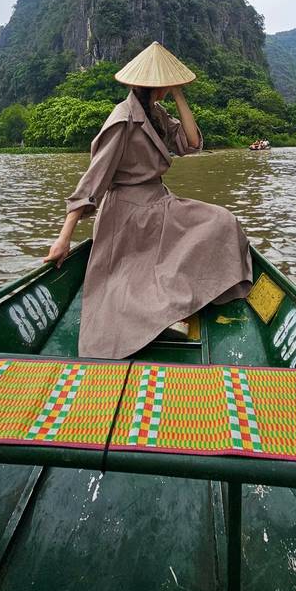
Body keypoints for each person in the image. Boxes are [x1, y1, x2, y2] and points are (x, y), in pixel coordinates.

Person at [43, 41, 253, 359]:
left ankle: (182, 292)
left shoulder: (156, 113)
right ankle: (168, 304)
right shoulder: (122, 120)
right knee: (133, 281)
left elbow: (191, 143)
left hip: (158, 202)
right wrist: (63, 239)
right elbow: (93, 181)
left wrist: (180, 93)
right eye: (165, 84)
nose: (166, 89)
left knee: (222, 220)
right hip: (127, 213)